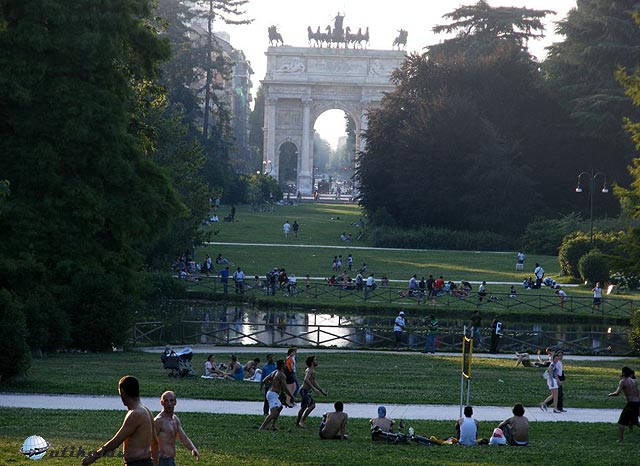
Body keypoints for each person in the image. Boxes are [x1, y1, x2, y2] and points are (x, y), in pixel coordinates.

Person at [82, 376, 156, 466]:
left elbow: (115, 442)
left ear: (123, 392)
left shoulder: (136, 414)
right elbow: (155, 442)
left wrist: (93, 457)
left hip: (138, 463)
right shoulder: (146, 410)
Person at [154, 391, 200, 466]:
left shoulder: (175, 419)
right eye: (166, 401)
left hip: (171, 460)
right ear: (162, 403)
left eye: (171, 400)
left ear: (175, 402)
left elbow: (183, 438)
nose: (169, 404)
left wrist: (193, 448)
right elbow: (150, 442)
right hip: (162, 460)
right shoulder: (158, 421)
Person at [259, 359, 296, 431]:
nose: (285, 365)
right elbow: (285, 388)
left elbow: (264, 380)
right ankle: (262, 427)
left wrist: (270, 384)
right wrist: (292, 396)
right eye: (284, 364)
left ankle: (273, 425)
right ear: (282, 366)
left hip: (271, 393)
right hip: (273, 395)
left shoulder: (275, 372)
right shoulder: (281, 375)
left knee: (280, 407)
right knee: (273, 413)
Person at [607, 366, 640, 442]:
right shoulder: (634, 381)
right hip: (637, 402)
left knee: (621, 422)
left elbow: (617, 393)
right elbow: (638, 393)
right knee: (635, 422)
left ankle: (620, 439)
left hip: (631, 403)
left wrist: (610, 394)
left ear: (623, 373)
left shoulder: (623, 381)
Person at [295, 355, 327, 428]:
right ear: (312, 362)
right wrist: (314, 389)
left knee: (303, 407)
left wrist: (321, 390)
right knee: (312, 405)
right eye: (315, 360)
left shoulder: (311, 370)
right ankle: (302, 421)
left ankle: (298, 423)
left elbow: (313, 382)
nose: (317, 361)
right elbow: (306, 379)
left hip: (305, 391)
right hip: (304, 391)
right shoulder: (310, 370)